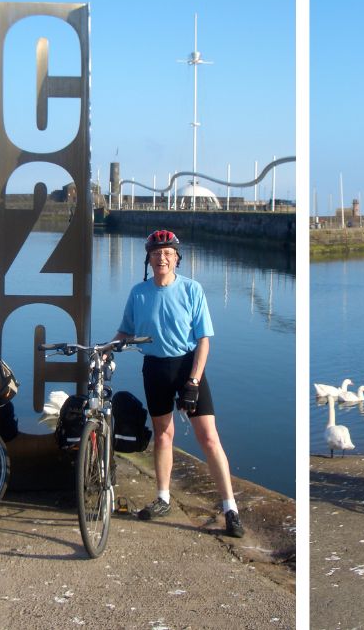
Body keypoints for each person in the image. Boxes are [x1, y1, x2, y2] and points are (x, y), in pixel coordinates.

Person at [113, 229, 243, 538]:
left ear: (176, 259)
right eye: (156, 254)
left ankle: (230, 508)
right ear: (149, 258)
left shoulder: (192, 290)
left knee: (209, 438)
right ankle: (162, 497)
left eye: (168, 254)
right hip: (155, 368)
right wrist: (107, 350)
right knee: (163, 436)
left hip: (187, 366)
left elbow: (203, 340)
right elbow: (124, 332)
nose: (162, 258)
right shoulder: (138, 293)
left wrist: (194, 381)